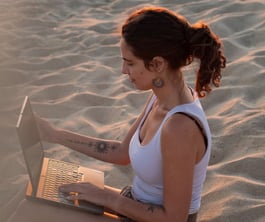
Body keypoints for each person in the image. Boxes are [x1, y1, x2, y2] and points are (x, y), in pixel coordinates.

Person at [35, 6, 226, 222]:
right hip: (134, 204)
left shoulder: (179, 127)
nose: (123, 71)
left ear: (158, 64)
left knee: (37, 213)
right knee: (45, 196)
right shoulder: (160, 98)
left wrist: (107, 198)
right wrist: (54, 135)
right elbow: (121, 153)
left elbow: (174, 218)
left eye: (130, 62)